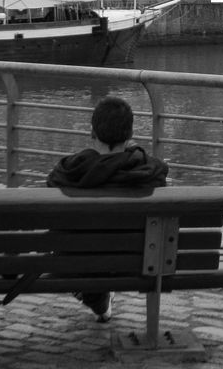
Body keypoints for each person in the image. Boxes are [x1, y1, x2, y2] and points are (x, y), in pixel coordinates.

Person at [46, 95, 169, 321]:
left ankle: (98, 300)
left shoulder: (65, 175)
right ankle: (101, 302)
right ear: (130, 134)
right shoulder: (151, 175)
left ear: (92, 132)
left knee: (83, 253)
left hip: (74, 264)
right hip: (138, 264)